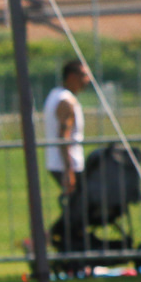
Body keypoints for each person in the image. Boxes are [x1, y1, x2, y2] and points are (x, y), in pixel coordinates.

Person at [44, 58, 89, 194]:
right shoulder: (66, 101)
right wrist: (68, 171)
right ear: (71, 77)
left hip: (58, 163)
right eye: (84, 75)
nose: (87, 79)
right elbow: (63, 136)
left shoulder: (55, 94)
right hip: (67, 165)